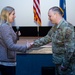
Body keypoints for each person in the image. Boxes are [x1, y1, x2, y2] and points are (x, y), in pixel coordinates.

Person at [30, 6, 75, 75]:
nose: (49, 18)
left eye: (50, 16)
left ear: (56, 15)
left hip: (66, 65)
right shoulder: (55, 27)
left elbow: (70, 50)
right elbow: (47, 38)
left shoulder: (67, 28)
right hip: (58, 62)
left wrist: (65, 65)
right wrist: (33, 43)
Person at [0, 6, 31, 75]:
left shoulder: (6, 26)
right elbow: (10, 46)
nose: (15, 16)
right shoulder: (5, 27)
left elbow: (9, 42)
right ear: (7, 15)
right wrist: (26, 47)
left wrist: (16, 36)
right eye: (13, 14)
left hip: (9, 61)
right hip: (7, 63)